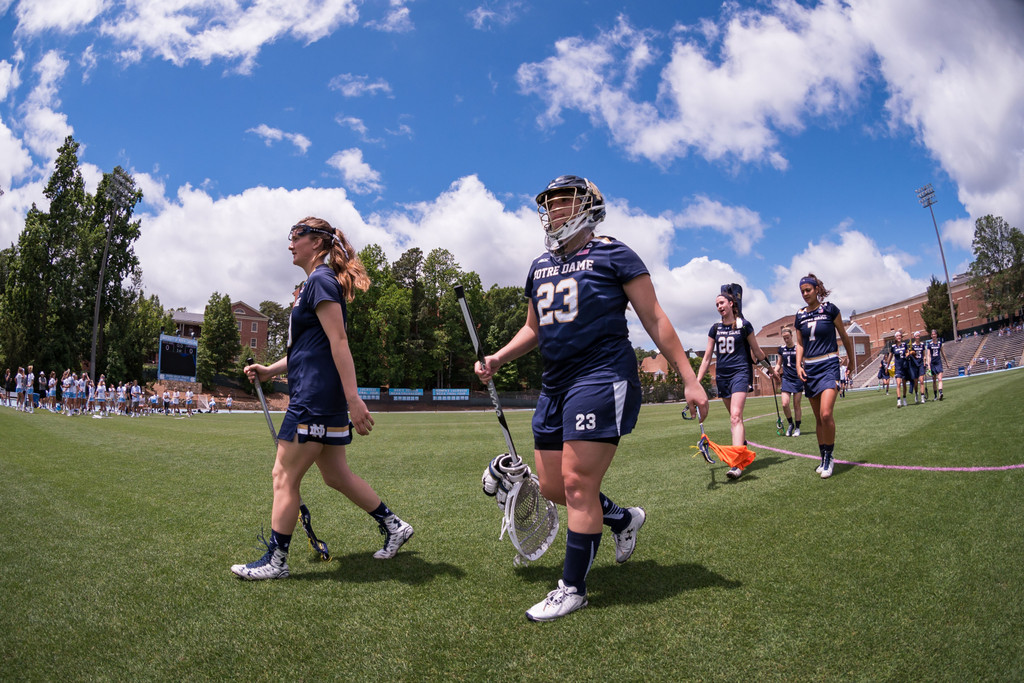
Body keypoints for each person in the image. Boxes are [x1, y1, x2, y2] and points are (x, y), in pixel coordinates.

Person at [475, 175, 708, 622]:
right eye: (551, 203)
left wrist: (688, 377)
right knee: (552, 487)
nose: (555, 210)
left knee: (579, 483)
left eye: (564, 201)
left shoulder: (615, 253)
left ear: (588, 207)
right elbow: (534, 328)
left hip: (602, 376)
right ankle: (622, 519)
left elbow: (654, 318)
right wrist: (499, 358)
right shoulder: (539, 265)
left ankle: (573, 588)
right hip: (556, 382)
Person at [232, 216, 414, 580]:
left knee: (283, 475)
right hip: (317, 396)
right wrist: (270, 371)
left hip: (314, 399)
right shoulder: (312, 285)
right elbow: (306, 350)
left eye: (295, 237)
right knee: (336, 475)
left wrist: (354, 399)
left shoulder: (320, 280)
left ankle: (276, 562)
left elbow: (339, 342)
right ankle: (395, 526)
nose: (289, 245)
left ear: (315, 242)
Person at [696, 283, 771, 479]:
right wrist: (696, 382)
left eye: (722, 303)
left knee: (736, 416)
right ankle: (742, 448)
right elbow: (706, 358)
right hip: (722, 376)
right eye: (717, 305)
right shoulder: (715, 329)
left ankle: (737, 464)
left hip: (740, 373)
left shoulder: (744, 326)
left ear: (731, 303)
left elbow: (757, 351)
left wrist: (770, 368)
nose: (719, 307)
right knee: (733, 417)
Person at [793, 274, 855, 479]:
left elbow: (844, 336)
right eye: (802, 291)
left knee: (826, 414)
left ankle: (830, 457)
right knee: (818, 418)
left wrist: (851, 360)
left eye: (808, 290)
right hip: (810, 368)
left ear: (817, 289)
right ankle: (823, 457)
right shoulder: (799, 315)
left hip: (829, 364)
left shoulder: (830, 309)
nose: (805, 294)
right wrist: (798, 365)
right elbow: (800, 344)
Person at [773, 326, 804, 436]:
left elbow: (803, 362)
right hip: (786, 379)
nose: (786, 340)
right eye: (784, 338)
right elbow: (778, 363)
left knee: (796, 405)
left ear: (792, 336)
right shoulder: (782, 349)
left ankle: (797, 427)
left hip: (797, 379)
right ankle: (790, 424)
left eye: (787, 337)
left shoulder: (798, 348)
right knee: (785, 404)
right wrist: (775, 371)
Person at [890, 330, 910, 408]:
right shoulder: (893, 347)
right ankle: (899, 400)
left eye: (900, 336)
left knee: (904, 384)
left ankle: (904, 398)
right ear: (895, 337)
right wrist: (888, 365)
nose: (899, 337)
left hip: (904, 366)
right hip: (898, 367)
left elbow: (907, 352)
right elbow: (890, 356)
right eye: (897, 336)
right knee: (898, 383)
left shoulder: (904, 345)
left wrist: (908, 354)